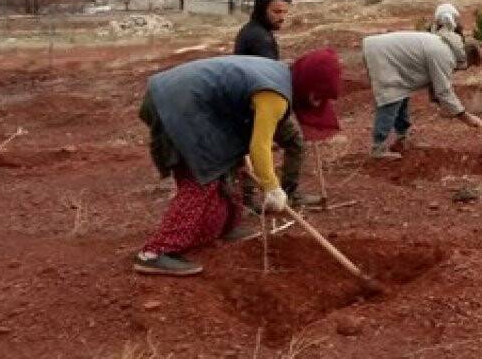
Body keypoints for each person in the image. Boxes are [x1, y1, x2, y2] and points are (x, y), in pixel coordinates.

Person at [133, 49, 341, 276]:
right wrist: (272, 187)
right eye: (318, 97)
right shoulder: (275, 96)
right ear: (310, 88)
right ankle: (154, 253)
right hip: (177, 103)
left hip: (186, 100)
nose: (317, 103)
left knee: (227, 165)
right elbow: (259, 146)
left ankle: (225, 227)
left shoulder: (280, 75)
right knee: (203, 176)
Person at [232, 0, 317, 208]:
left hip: (248, 99)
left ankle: (249, 201)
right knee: (292, 142)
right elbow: (267, 77)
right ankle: (285, 194)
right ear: (262, 10)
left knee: (246, 147)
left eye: (285, 12)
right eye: (277, 11)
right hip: (258, 101)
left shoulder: (255, 31)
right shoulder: (259, 38)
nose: (282, 17)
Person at [361, 30, 482, 160]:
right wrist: (466, 117)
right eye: (470, 66)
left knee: (400, 94)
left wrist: (444, 105)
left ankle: (402, 139)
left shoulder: (445, 48)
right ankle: (378, 148)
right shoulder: (444, 55)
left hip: (383, 53)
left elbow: (436, 85)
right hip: (382, 55)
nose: (466, 69)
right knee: (391, 98)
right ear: (467, 58)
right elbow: (443, 90)